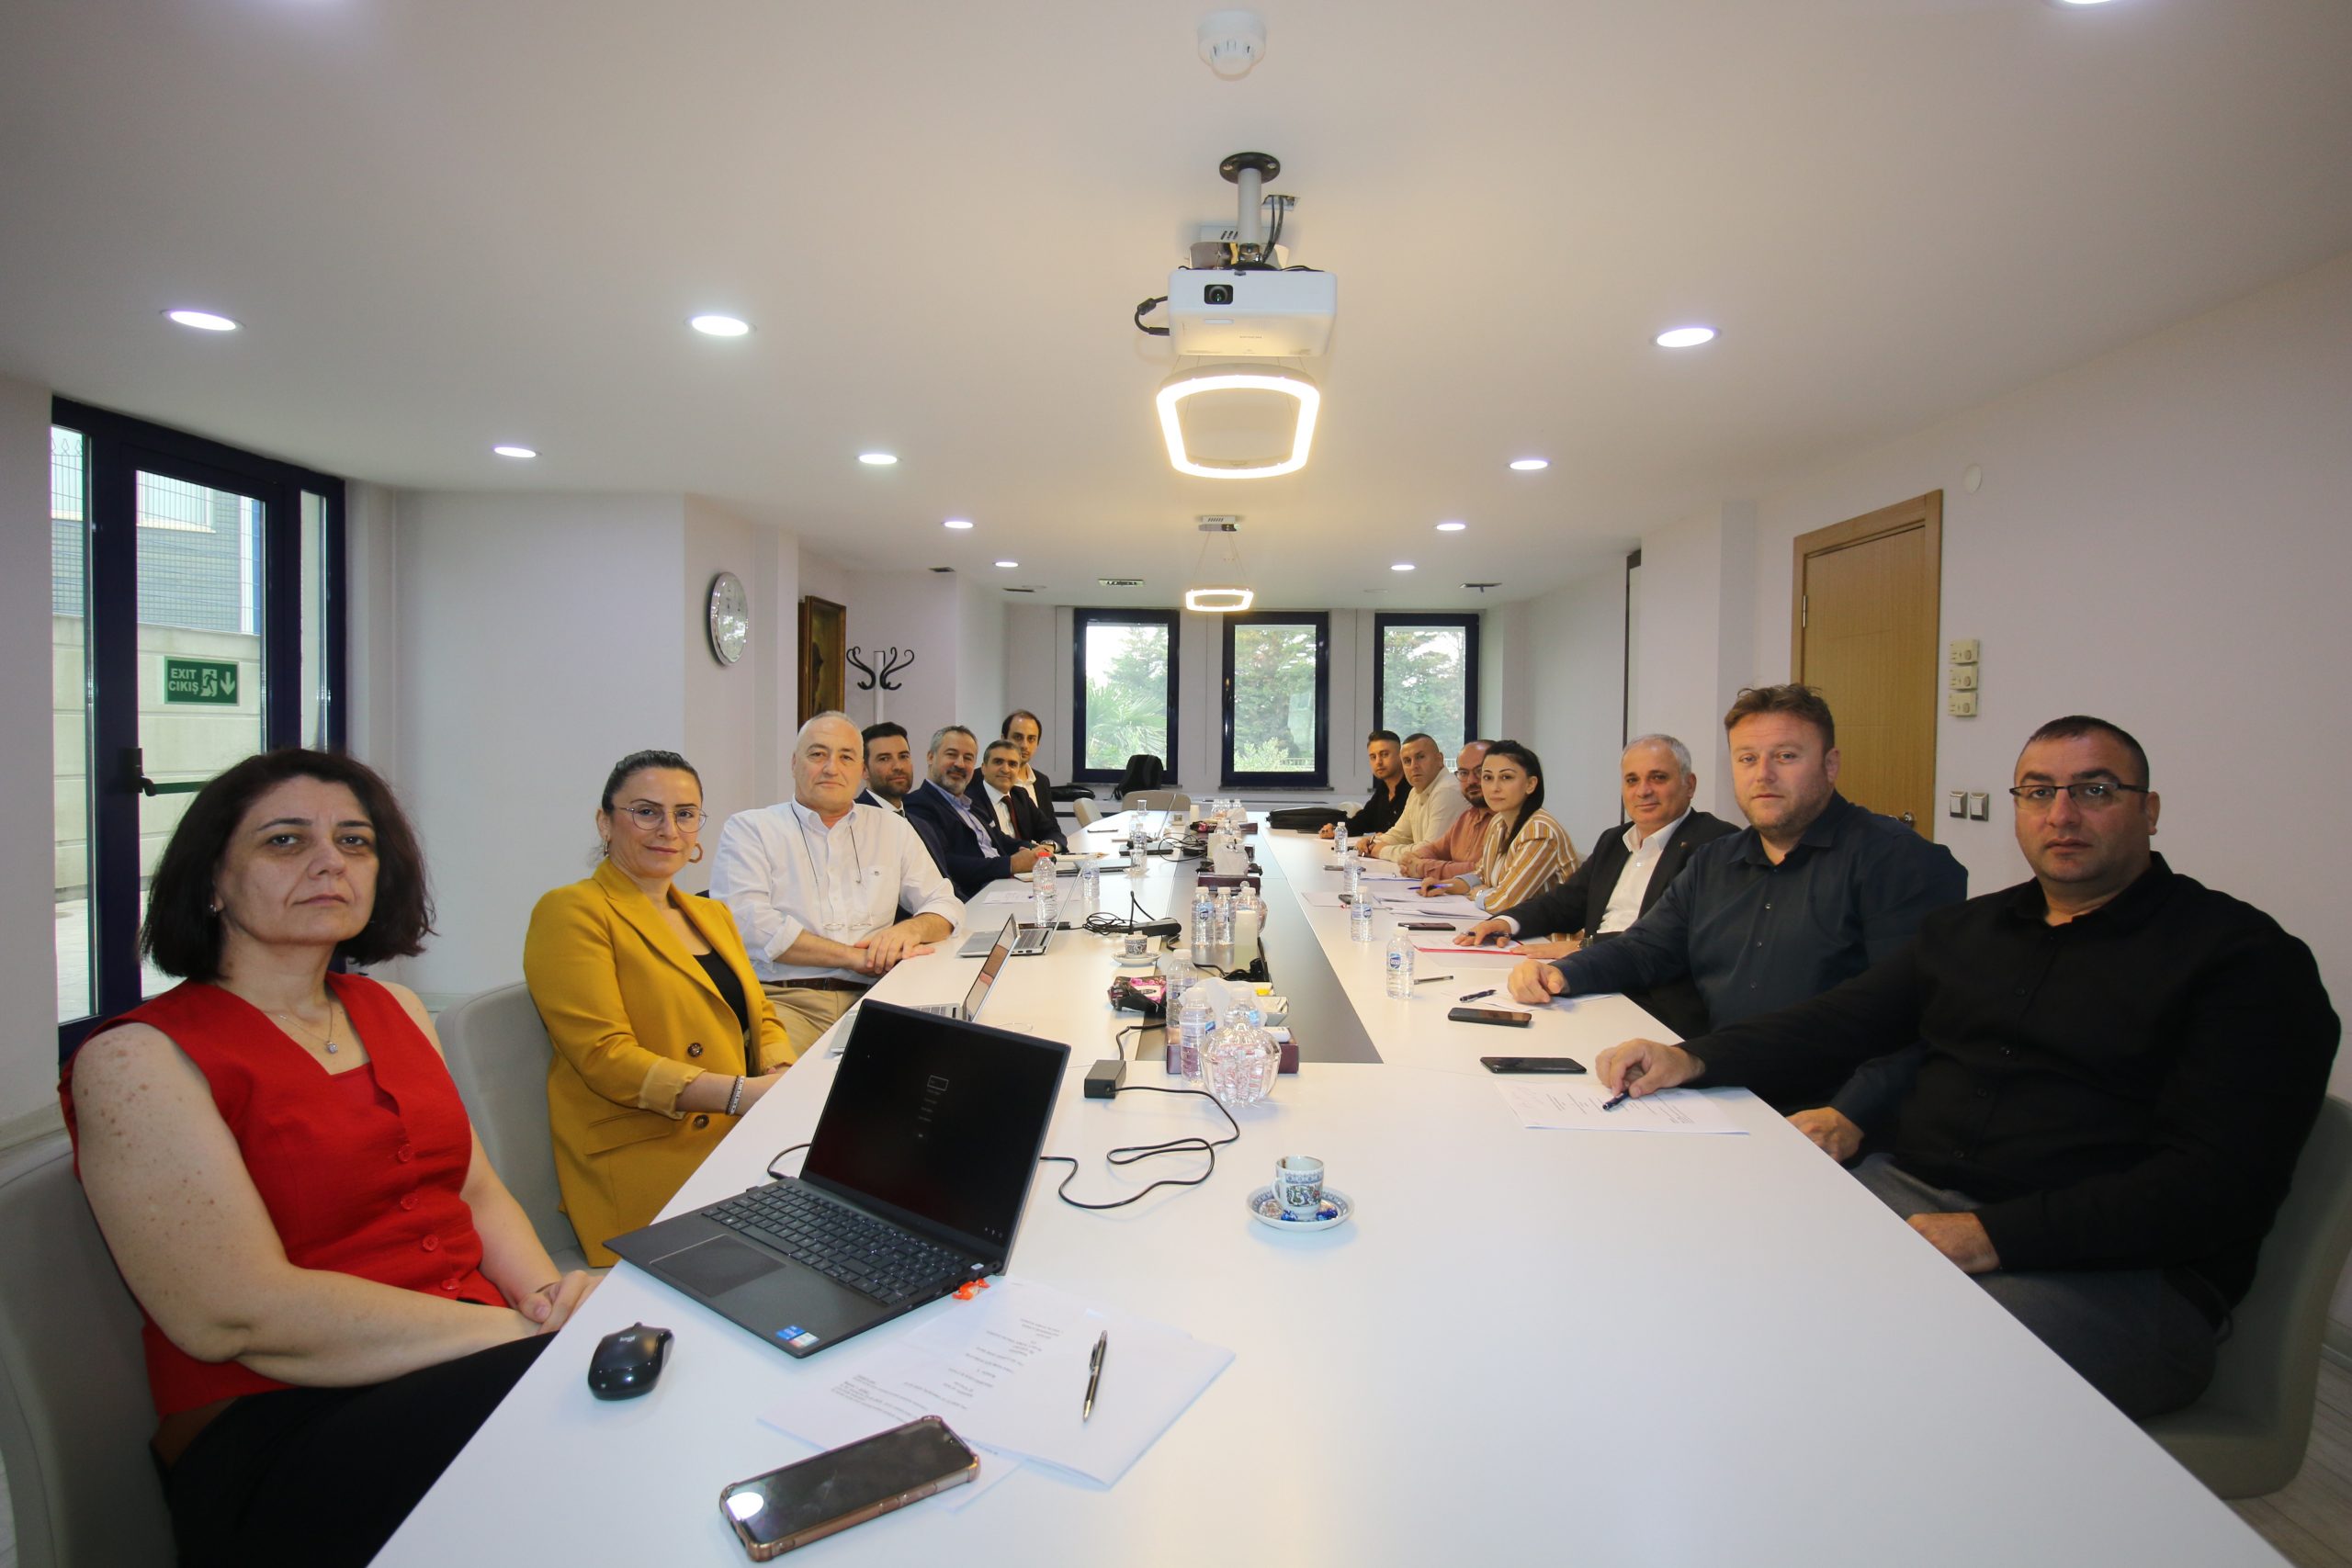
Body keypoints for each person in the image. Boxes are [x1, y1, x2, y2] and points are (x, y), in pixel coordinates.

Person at [1594, 716, 2340, 1419]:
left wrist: (1990, 1234)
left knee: (1849, 1363)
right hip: (1913, 1203)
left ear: (2149, 810)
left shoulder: (2243, 961)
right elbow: (1840, 1021)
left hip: (2111, 1274)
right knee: (1690, 1260)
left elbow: (2215, 1187)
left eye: (2095, 789)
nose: (2062, 814)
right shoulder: (1973, 930)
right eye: (2038, 792)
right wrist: (1693, 1056)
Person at [59, 749, 599, 1568]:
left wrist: (547, 1297)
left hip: (468, 1356)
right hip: (283, 1425)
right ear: (212, 880)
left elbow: (477, 1192)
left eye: (354, 841)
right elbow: (236, 1312)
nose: (329, 862)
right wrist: (517, 1333)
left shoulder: (395, 1007)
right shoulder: (138, 1058)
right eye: (284, 840)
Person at [1506, 684, 1964, 1147]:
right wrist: (1564, 972)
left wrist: (1852, 1114)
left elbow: (1915, 1018)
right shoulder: (1715, 861)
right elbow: (1648, 947)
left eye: (1785, 756)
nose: (1763, 775)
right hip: (1723, 1085)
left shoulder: (1898, 862)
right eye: (1747, 759)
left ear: (1830, 765)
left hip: (1827, 1112)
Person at [523, 750, 797, 1267]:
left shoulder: (712, 913)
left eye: (685, 813)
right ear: (605, 822)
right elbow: (606, 1058)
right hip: (649, 1160)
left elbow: (760, 1014)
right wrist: (741, 1094)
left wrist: (780, 1071)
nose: (668, 830)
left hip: (734, 1141)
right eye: (646, 812)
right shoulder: (571, 911)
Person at [709, 713, 964, 1055]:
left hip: (881, 995)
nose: (831, 768)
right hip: (787, 1002)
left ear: (861, 770)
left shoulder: (892, 828)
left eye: (846, 757)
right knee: (785, 1083)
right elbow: (750, 926)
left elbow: (945, 904)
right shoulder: (751, 829)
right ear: (794, 763)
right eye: (818, 754)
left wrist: (910, 930)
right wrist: (855, 958)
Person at [1458, 734, 1736, 1037]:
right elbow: (1564, 903)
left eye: (1658, 778)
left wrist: (1586, 947)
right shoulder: (1614, 840)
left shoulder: (1715, 844)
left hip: (1654, 1001)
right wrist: (1506, 922)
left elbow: (1675, 939)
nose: (1643, 790)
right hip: (1591, 982)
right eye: (1632, 780)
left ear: (1689, 785)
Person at [1417, 739, 1577, 912]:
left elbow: (1505, 902)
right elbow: (1481, 875)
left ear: (1530, 784)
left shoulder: (1540, 831)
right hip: (1510, 923)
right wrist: (1443, 886)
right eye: (1487, 777)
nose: (1494, 787)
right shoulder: (1499, 823)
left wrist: (1480, 894)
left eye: (1506, 777)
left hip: (1548, 928)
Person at [901, 724, 1053, 897]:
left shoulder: (969, 805)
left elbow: (1001, 840)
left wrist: (1036, 851)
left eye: (968, 758)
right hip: (974, 898)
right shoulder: (917, 805)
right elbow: (944, 863)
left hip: (1005, 887)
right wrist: (1010, 864)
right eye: (951, 754)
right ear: (930, 757)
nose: (960, 764)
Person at [1363, 731, 1468, 863]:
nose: (1414, 766)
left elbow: (1430, 852)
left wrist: (1382, 851)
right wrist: (1373, 843)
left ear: (1439, 759)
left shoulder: (1447, 790)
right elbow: (1400, 834)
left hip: (1455, 874)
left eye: (1420, 757)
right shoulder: (1415, 792)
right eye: (1407, 761)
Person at [1398, 739, 1494, 881]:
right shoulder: (1468, 817)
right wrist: (1413, 858)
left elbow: (1481, 870)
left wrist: (1421, 867)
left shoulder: (1505, 820)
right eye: (1464, 773)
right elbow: (1436, 849)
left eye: (1479, 772)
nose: (1471, 781)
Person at [974, 736, 1066, 851]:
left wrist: (1048, 847)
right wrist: (1034, 850)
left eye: (1012, 764)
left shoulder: (1020, 796)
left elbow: (1052, 831)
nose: (1005, 769)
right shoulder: (971, 801)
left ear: (1018, 771)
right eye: (998, 762)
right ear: (983, 768)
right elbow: (998, 843)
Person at [1318, 730, 1408, 840]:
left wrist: (1383, 839)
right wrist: (1335, 830)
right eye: (1373, 757)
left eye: (1385, 754)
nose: (1378, 762)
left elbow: (1408, 836)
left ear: (1401, 756)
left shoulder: (1413, 790)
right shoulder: (1383, 789)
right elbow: (1363, 821)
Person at [1001, 709, 1056, 817]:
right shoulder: (982, 779)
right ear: (1003, 739)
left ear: (1037, 743)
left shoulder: (1042, 781)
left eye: (1031, 739)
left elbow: (1051, 824)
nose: (1024, 745)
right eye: (1018, 737)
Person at [858, 720, 915, 813]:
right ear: (864, 770)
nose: (898, 767)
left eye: (903, 756)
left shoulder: (920, 821)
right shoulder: (852, 818)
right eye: (884, 759)